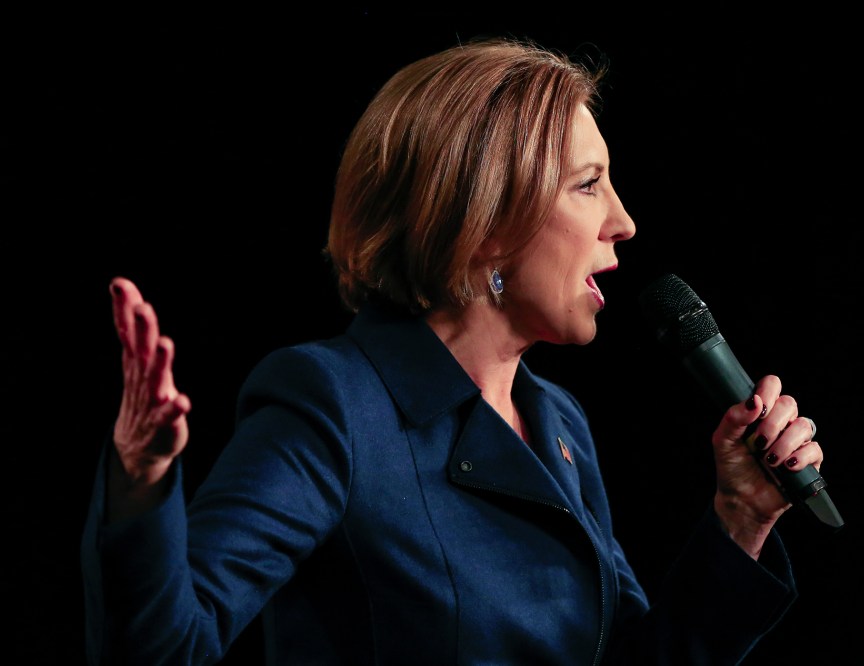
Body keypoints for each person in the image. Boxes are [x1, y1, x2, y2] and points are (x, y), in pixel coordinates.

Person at [81, 35, 826, 665]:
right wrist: (140, 480)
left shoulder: (558, 422)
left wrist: (740, 518)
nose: (623, 222)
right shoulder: (334, 404)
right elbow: (165, 648)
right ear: (487, 218)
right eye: (588, 185)